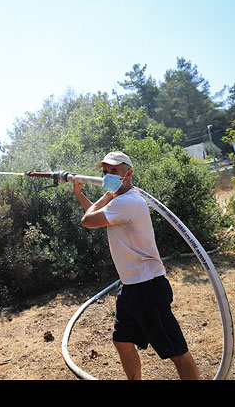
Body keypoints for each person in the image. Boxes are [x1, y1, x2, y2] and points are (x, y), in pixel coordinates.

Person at [72, 151, 200, 380]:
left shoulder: (127, 202)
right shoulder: (120, 202)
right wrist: (80, 194)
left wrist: (107, 195)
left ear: (128, 173)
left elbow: (88, 221)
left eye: (113, 171)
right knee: (121, 341)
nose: (107, 176)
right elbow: (95, 215)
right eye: (105, 172)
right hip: (131, 285)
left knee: (176, 352)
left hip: (147, 286)